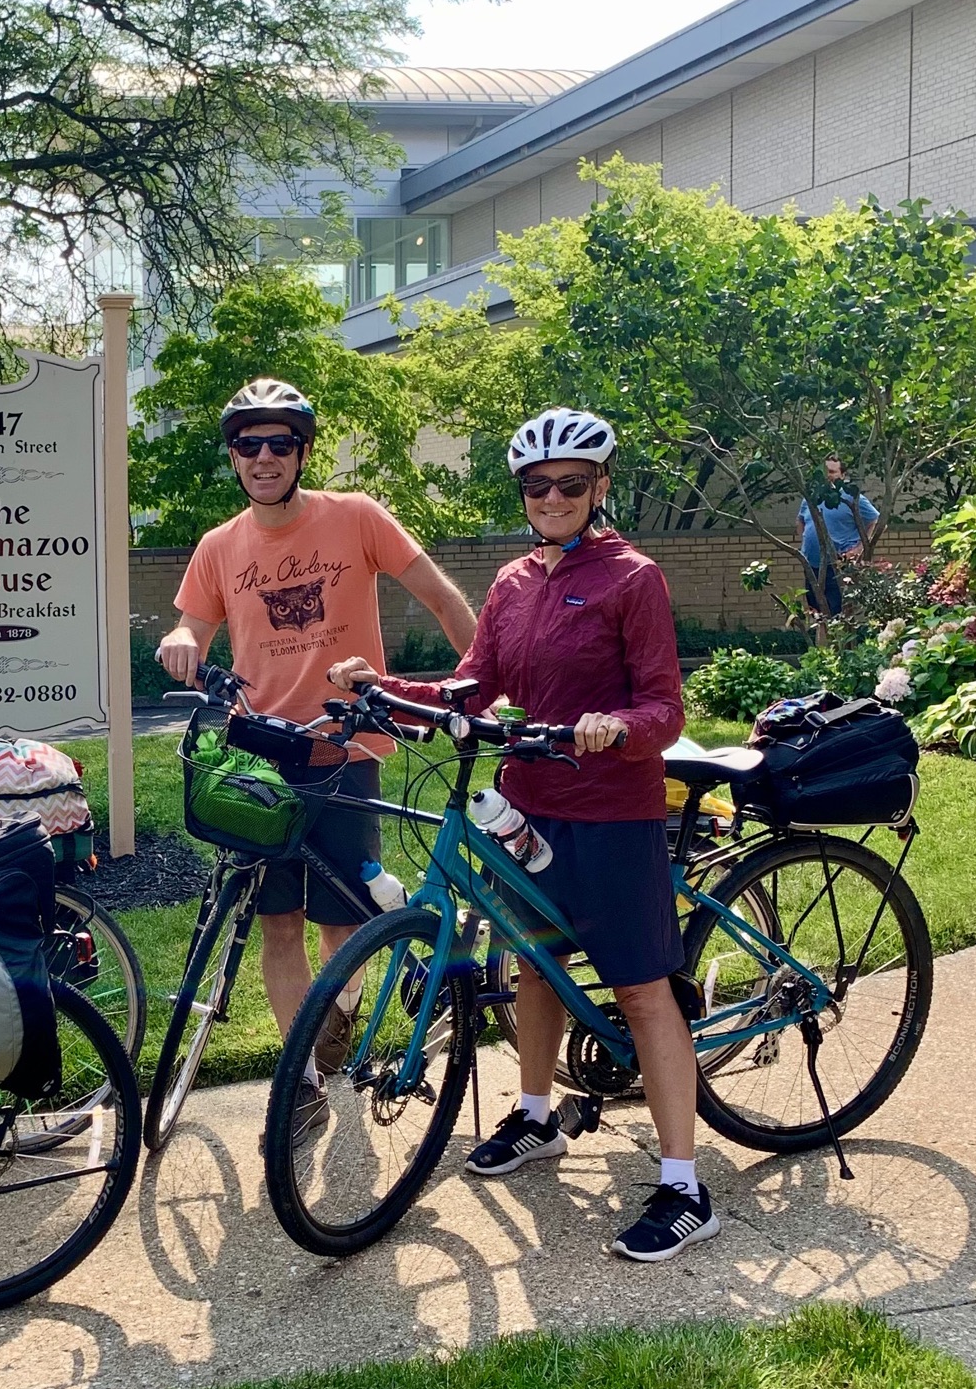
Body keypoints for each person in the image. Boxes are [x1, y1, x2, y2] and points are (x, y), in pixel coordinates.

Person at [331, 406, 710, 1263]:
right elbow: (473, 687)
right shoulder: (510, 584)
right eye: (537, 486)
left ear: (599, 487)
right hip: (527, 806)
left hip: (611, 814)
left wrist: (616, 724)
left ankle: (686, 1185)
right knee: (534, 964)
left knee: (645, 991)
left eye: (570, 484)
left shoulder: (632, 577)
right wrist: (379, 685)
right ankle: (538, 1114)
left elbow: (665, 706)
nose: (552, 498)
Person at [156, 378, 482, 1140]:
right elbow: (189, 633)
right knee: (277, 922)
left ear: (302, 451)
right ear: (235, 457)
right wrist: (179, 641)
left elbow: (438, 595)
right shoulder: (219, 546)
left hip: (344, 746)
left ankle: (337, 1012)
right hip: (259, 759)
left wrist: (481, 681)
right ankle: (302, 1076)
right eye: (248, 445)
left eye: (279, 443)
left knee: (342, 927)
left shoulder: (356, 517)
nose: (263, 458)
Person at [801, 454, 881, 618]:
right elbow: (801, 520)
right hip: (811, 564)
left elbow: (877, 522)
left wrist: (859, 548)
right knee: (815, 613)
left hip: (837, 566)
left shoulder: (851, 497)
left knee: (835, 613)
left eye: (832, 471)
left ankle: (837, 644)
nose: (827, 475)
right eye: (825, 471)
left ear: (842, 475)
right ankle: (821, 644)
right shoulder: (812, 496)